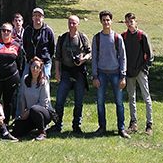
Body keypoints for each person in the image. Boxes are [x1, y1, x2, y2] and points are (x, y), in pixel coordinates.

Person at [50, 14, 91, 133]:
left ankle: (76, 126)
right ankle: (57, 124)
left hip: (79, 73)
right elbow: (57, 57)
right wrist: (57, 72)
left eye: (74, 23)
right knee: (59, 100)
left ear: (78, 24)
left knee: (79, 101)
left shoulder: (83, 37)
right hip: (66, 72)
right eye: (70, 22)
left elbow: (89, 53)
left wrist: (83, 59)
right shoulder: (62, 38)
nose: (71, 25)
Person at [91, 10, 129, 138]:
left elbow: (123, 57)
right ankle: (102, 127)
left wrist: (123, 76)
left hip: (116, 74)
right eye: (104, 20)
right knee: (100, 102)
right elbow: (94, 58)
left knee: (119, 102)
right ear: (100, 22)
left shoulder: (117, 38)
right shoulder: (97, 38)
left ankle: (121, 128)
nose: (106, 22)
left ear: (111, 21)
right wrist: (95, 76)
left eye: (108, 20)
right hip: (101, 73)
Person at [123, 12, 154, 135]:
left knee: (146, 97)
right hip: (129, 71)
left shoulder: (142, 36)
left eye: (131, 21)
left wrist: (144, 69)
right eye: (127, 22)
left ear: (136, 22)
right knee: (131, 97)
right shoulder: (124, 36)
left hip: (141, 71)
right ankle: (133, 123)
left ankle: (149, 125)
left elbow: (150, 55)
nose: (129, 24)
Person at [12, 57, 55, 140]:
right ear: (30, 67)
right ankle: (34, 130)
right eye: (33, 67)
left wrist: (28, 112)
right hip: (30, 113)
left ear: (40, 69)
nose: (35, 69)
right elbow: (22, 98)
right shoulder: (25, 79)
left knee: (34, 109)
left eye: (37, 67)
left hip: (44, 112)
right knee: (17, 130)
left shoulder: (44, 81)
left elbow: (43, 103)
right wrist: (22, 113)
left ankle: (42, 132)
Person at [22, 7, 55, 79]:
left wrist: (45, 57)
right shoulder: (27, 30)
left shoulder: (48, 31)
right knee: (24, 80)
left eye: (39, 16)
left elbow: (52, 48)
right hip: (30, 61)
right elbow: (24, 45)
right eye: (35, 16)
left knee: (45, 80)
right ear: (32, 18)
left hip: (45, 62)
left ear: (43, 18)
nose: (37, 18)